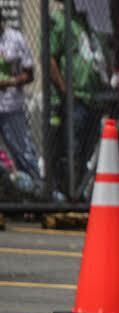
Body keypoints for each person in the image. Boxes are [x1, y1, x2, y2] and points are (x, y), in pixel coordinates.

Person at [49, 1, 107, 198]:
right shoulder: (58, 20)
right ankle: (66, 190)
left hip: (91, 96)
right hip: (75, 97)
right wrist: (65, 89)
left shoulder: (83, 22)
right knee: (71, 147)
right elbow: (50, 58)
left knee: (86, 147)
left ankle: (78, 189)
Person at [0, 13, 42, 190]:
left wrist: (10, 82)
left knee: (23, 152)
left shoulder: (15, 39)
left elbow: (29, 74)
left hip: (11, 106)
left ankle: (36, 190)